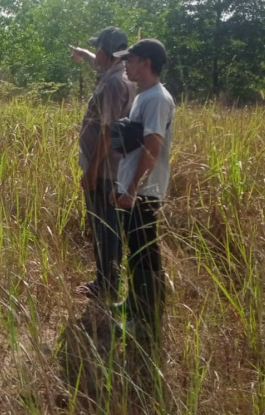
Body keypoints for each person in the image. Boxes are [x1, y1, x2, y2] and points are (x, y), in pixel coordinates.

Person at [111, 39, 175, 341]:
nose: (126, 64)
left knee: (143, 255)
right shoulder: (143, 95)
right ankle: (135, 304)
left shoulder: (157, 99)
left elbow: (152, 147)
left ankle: (145, 320)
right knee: (136, 253)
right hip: (135, 189)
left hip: (145, 192)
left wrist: (132, 190)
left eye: (131, 59)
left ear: (146, 62)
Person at [70, 27, 136, 302]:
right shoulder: (124, 75)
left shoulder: (111, 84)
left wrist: (92, 169)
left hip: (105, 168)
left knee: (104, 226)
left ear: (103, 52)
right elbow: (100, 64)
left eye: (95, 50)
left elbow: (108, 130)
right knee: (110, 226)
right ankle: (108, 279)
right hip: (117, 166)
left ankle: (106, 284)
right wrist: (85, 55)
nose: (93, 54)